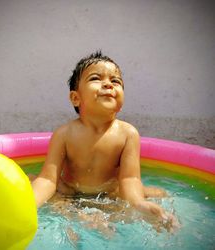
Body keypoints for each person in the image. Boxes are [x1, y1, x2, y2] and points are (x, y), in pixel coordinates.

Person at [31, 51, 178, 229]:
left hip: (110, 194)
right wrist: (29, 205)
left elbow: (130, 179)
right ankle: (79, 216)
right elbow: (48, 179)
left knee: (161, 195)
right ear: (75, 98)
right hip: (71, 193)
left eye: (116, 81)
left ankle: (104, 214)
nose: (108, 84)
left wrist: (138, 203)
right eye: (96, 78)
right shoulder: (64, 134)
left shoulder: (128, 134)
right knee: (37, 184)